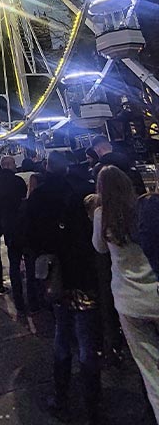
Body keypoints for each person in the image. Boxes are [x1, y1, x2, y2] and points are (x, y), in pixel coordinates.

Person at [27, 151, 101, 425]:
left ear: (47, 167)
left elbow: (30, 235)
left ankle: (61, 397)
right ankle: (92, 403)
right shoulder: (84, 190)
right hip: (84, 272)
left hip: (57, 274)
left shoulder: (39, 196)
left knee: (62, 335)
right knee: (87, 341)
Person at [93, 165, 159, 421]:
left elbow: (98, 247)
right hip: (154, 291)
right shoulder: (144, 207)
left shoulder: (102, 214)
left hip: (128, 301)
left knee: (151, 372)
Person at [0, 156, 37, 312]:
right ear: (10, 165)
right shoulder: (18, 182)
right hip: (23, 227)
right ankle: (33, 299)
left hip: (9, 228)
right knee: (30, 264)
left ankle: (19, 301)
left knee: (14, 265)